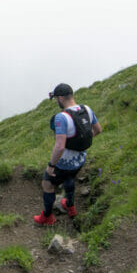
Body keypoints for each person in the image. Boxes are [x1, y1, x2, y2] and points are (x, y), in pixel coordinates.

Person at [33, 83, 102, 226]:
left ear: (60, 98)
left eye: (57, 99)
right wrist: (79, 146)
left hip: (64, 163)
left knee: (47, 183)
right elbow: (98, 130)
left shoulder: (61, 117)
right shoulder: (87, 109)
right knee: (70, 177)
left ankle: (47, 217)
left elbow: (59, 146)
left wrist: (51, 166)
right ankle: (70, 206)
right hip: (80, 159)